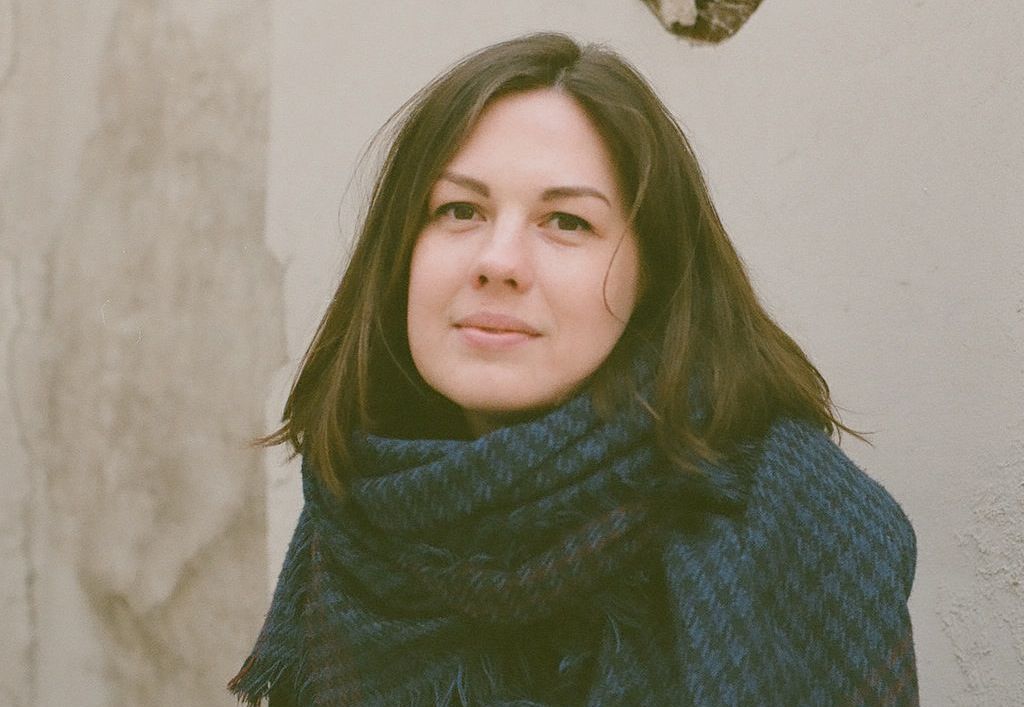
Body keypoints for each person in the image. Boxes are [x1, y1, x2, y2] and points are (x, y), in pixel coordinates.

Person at [229, 33, 917, 706]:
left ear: (654, 273)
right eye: (460, 210)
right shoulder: (360, 503)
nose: (498, 261)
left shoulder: (790, 518)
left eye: (565, 222)